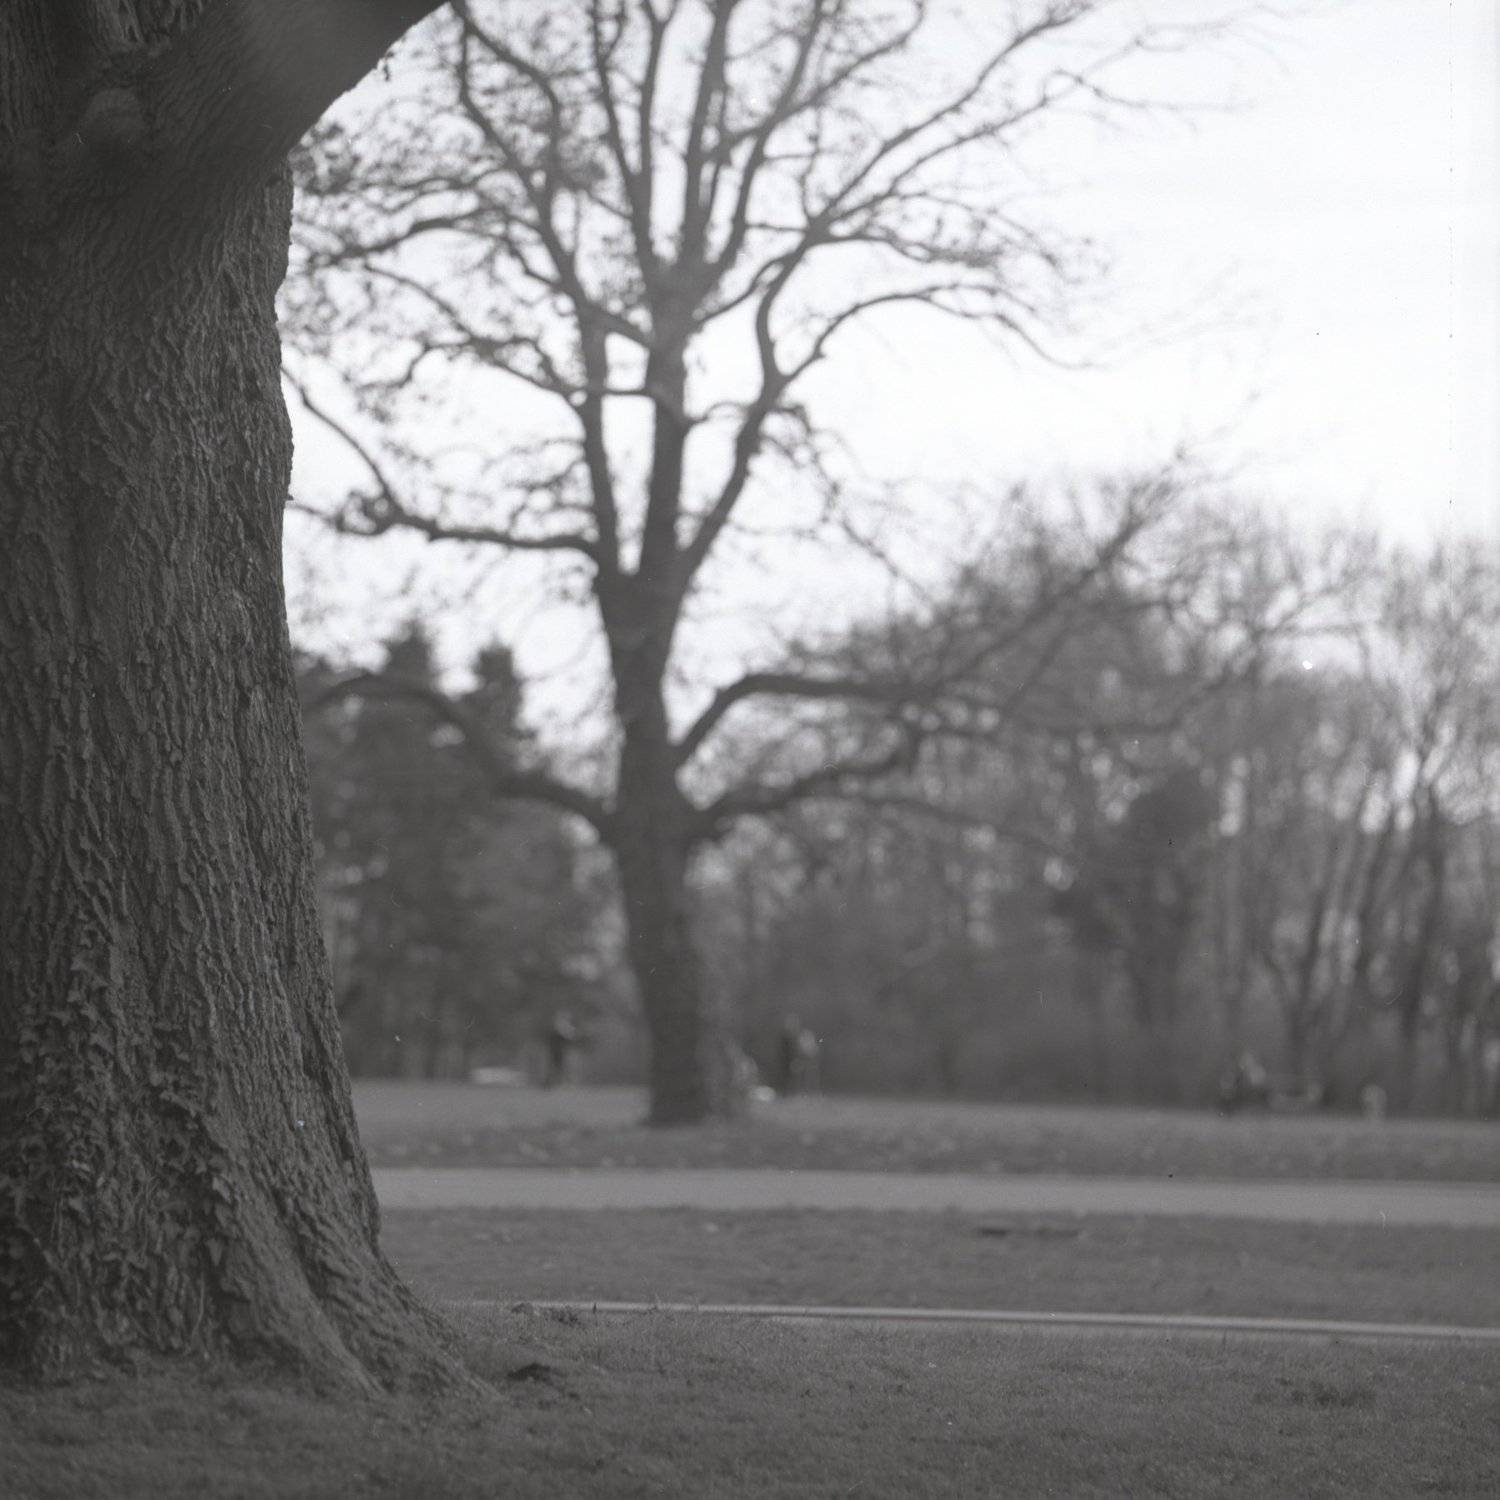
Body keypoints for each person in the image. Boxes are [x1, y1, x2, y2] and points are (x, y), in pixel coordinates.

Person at [543, 1009, 578, 1087]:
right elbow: (567, 1038)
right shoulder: (561, 1027)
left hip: (559, 1051)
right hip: (557, 1051)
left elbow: (569, 1039)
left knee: (558, 1066)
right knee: (557, 1066)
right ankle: (552, 1082)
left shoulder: (563, 1027)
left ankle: (555, 1082)